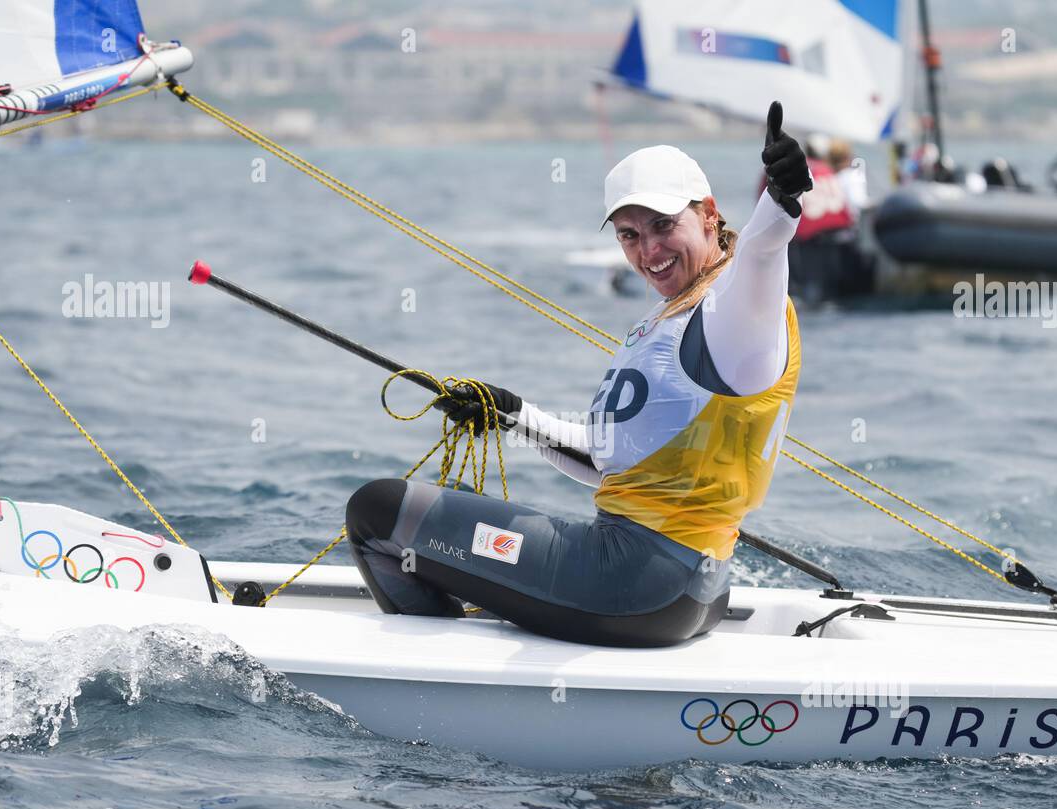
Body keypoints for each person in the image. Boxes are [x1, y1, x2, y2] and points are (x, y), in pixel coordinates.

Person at [345, 101, 810, 648]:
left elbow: (761, 255)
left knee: (378, 513)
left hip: (631, 583)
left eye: (663, 225)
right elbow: (614, 458)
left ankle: (425, 681)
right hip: (693, 592)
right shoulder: (678, 313)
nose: (649, 250)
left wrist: (781, 203)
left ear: (709, 212)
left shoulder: (738, 321)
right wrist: (514, 415)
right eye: (629, 235)